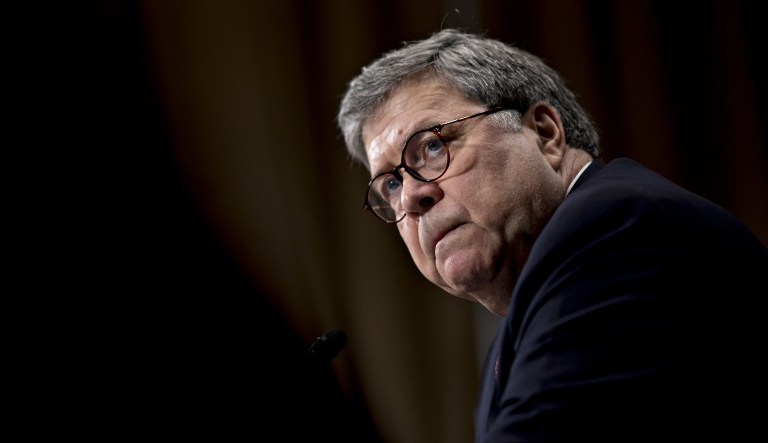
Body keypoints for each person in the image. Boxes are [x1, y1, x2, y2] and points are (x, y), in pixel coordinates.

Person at [336, 28, 768, 442]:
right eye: (390, 185)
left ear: (545, 134)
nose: (411, 196)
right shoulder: (513, 337)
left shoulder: (614, 229)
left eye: (432, 146)